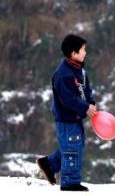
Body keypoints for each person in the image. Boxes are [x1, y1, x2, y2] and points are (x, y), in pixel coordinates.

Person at [36, 34, 97, 191]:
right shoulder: (63, 75)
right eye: (83, 50)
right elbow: (68, 99)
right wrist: (85, 107)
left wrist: (91, 103)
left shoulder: (80, 70)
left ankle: (49, 164)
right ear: (73, 53)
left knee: (75, 144)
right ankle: (70, 182)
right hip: (66, 119)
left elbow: (86, 89)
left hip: (76, 117)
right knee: (72, 148)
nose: (85, 53)